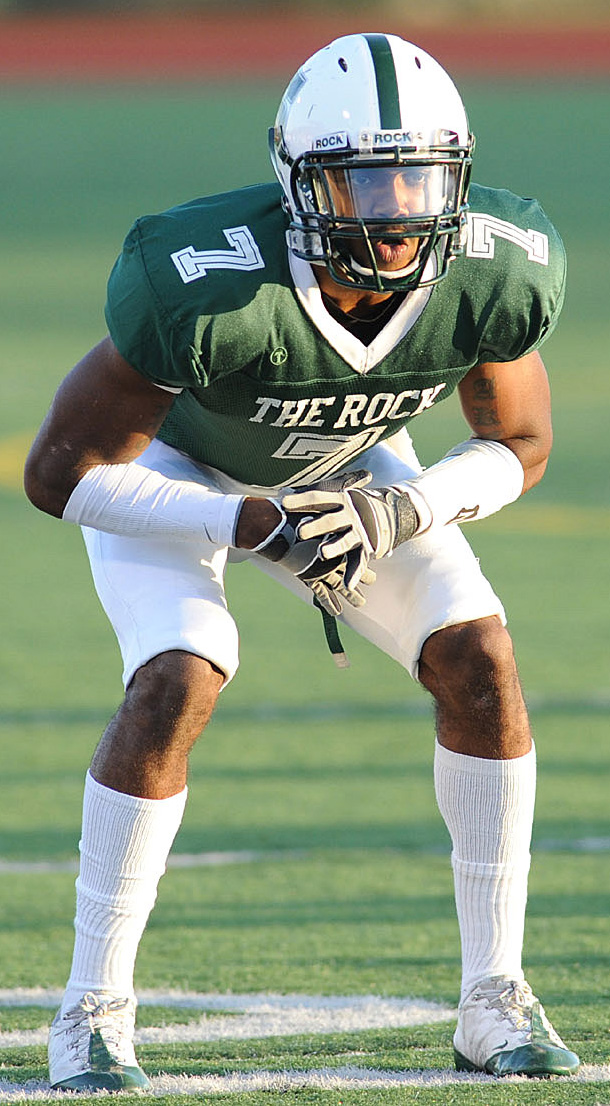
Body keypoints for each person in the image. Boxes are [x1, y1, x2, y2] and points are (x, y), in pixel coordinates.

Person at [24, 31, 579, 1091]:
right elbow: (60, 475)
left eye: (418, 177)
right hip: (179, 475)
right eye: (362, 182)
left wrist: (400, 508)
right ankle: (91, 1009)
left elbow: (520, 443)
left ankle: (493, 995)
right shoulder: (203, 280)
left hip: (350, 474)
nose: (395, 210)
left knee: (481, 659)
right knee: (180, 673)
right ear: (298, 182)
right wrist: (250, 523)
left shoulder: (491, 269)